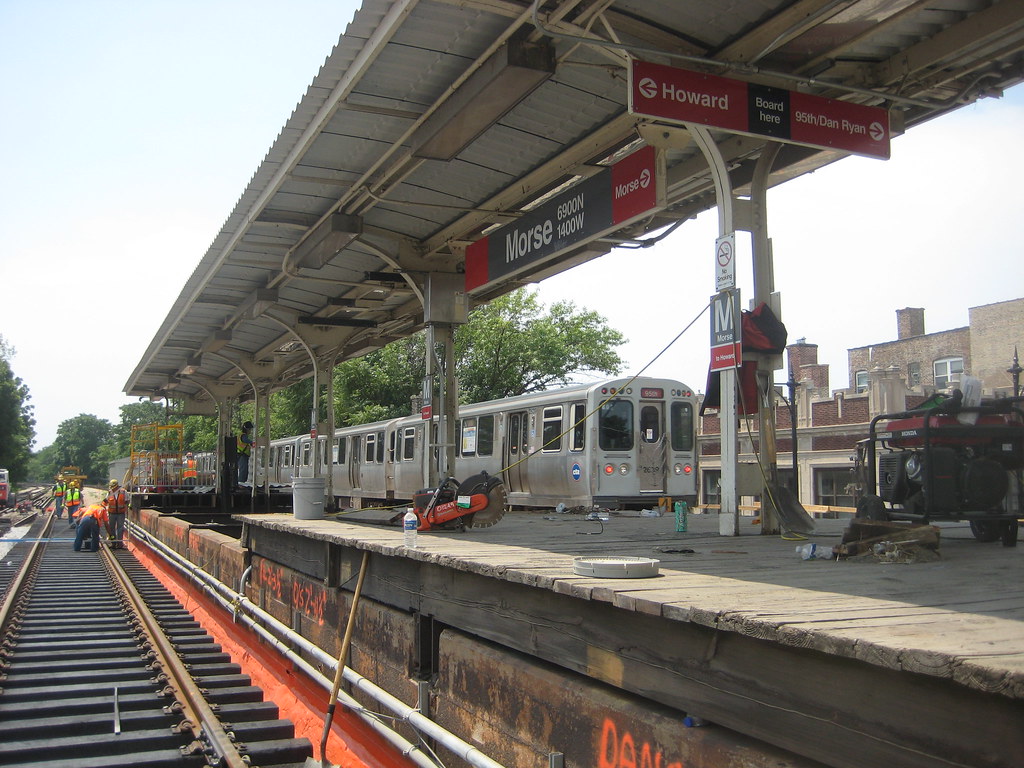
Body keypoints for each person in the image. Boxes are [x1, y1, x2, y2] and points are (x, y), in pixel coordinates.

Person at [103, 479, 129, 548]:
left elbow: (127, 501)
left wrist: (127, 510)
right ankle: (113, 543)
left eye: (113, 487)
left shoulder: (124, 492)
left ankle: (120, 543)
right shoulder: (109, 493)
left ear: (117, 486)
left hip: (121, 513)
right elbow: (105, 502)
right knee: (111, 528)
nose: (112, 489)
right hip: (112, 513)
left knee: (120, 528)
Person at [237, 421, 254, 486]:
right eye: (250, 429)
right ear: (246, 429)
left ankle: (241, 484)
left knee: (244, 470)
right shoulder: (243, 435)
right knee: (243, 470)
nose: (250, 431)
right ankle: (241, 484)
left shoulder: (240, 435)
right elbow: (246, 440)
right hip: (242, 455)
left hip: (241, 455)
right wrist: (252, 443)